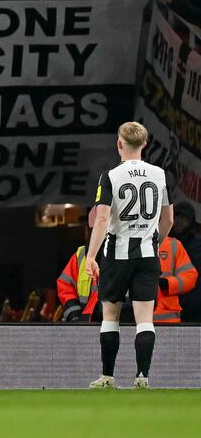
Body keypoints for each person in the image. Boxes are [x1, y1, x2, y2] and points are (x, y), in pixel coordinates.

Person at [85, 122, 174, 389]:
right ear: (144, 144)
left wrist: (91, 255)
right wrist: (155, 242)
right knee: (145, 319)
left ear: (119, 143)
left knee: (110, 316)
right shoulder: (160, 174)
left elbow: (102, 219)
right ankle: (142, 377)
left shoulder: (110, 176)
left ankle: (107, 377)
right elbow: (169, 219)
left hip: (116, 255)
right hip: (147, 255)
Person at [172, 202, 201, 322]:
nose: (179, 221)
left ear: (191, 222)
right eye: (176, 217)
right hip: (170, 303)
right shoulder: (164, 242)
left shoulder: (198, 244)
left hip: (194, 303)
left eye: (184, 218)